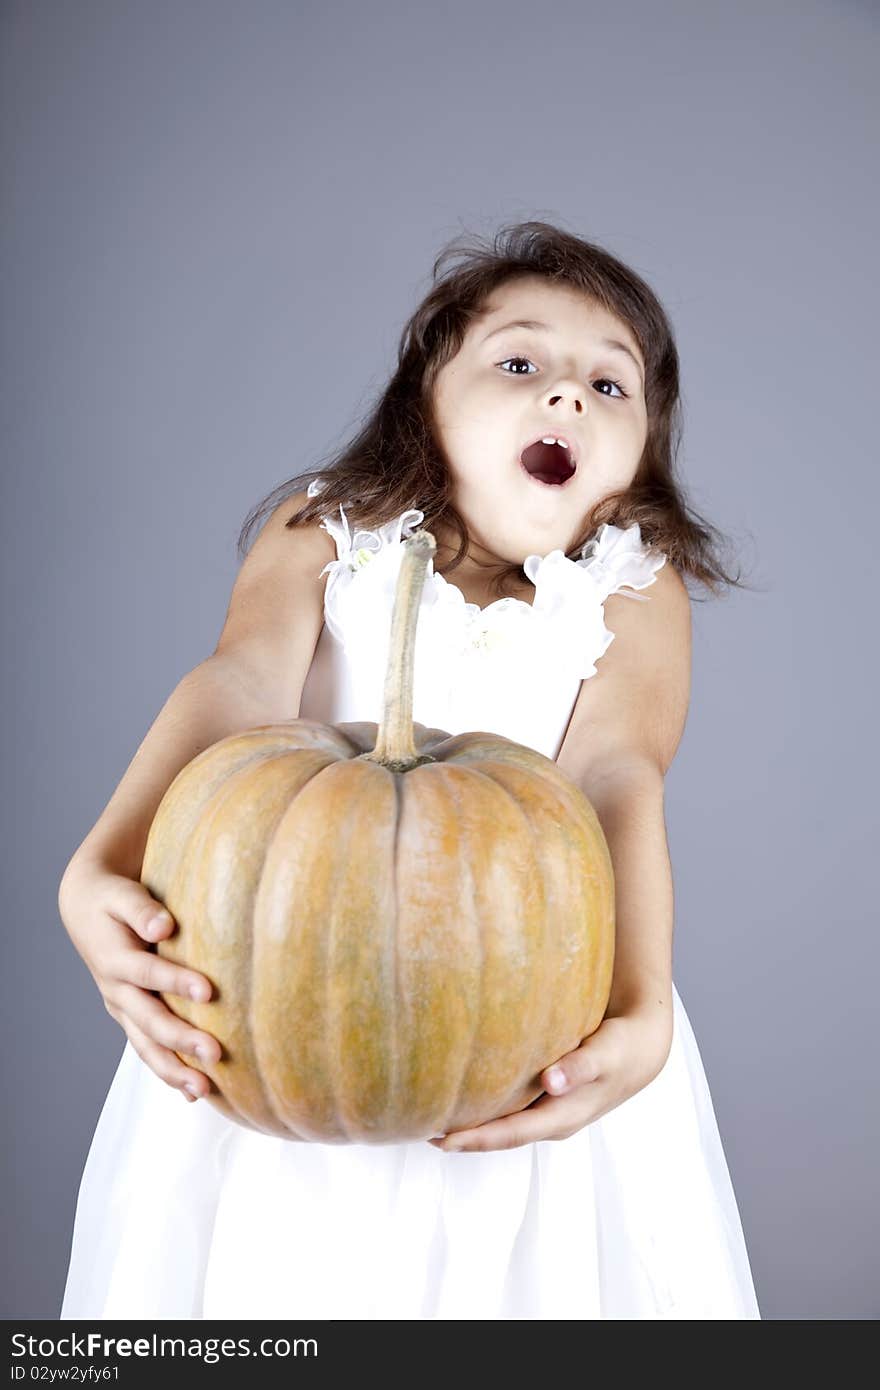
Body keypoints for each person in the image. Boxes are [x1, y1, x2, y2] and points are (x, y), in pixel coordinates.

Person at [58, 220, 761, 1319]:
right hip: (276, 1010)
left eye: (608, 384)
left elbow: (620, 773)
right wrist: (94, 865)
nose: (566, 396)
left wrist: (640, 1005)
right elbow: (238, 687)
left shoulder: (633, 589)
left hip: (531, 1033)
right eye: (519, 363)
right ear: (424, 399)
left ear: (644, 454)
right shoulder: (324, 533)